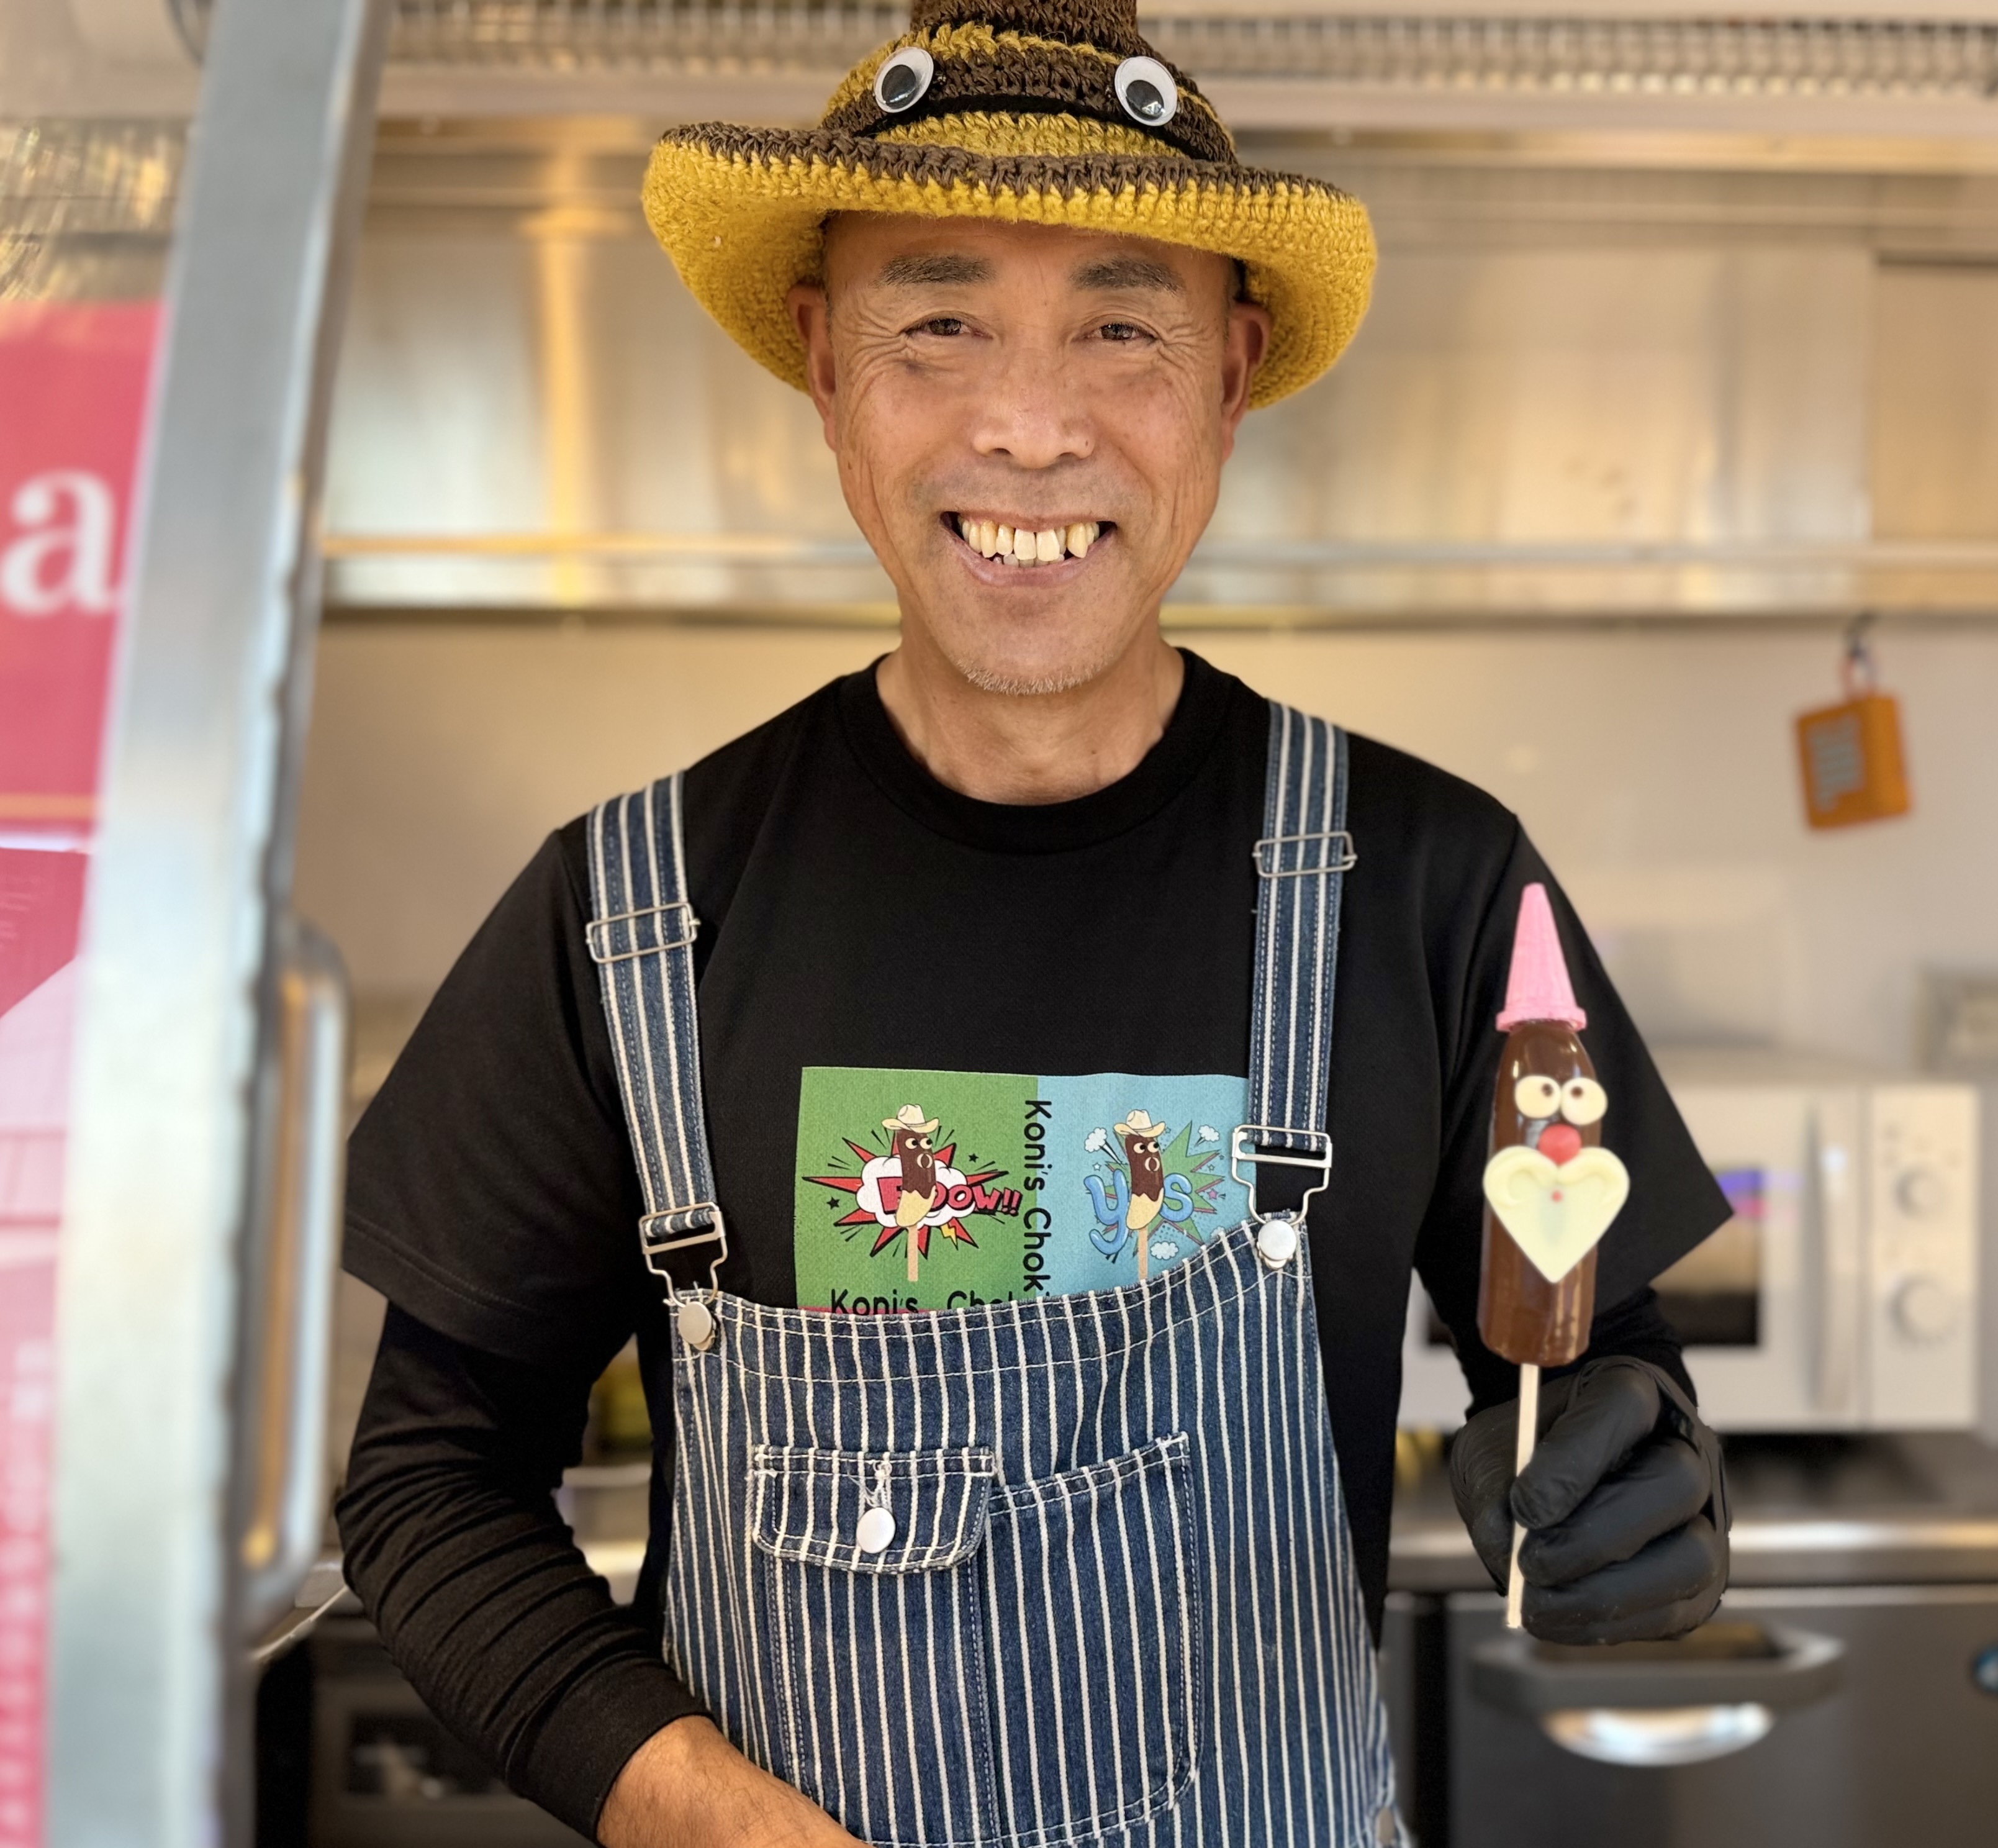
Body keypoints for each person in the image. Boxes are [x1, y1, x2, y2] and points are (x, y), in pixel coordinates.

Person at [334, 2, 1734, 1842]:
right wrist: (709, 1821)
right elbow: (429, 1486)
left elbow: (1602, 1364)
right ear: (824, 369)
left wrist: (1642, 1488)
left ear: (1229, 380)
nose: (1029, 425)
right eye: (937, 323)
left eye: (1120, 326)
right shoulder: (627, 916)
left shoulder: (1437, 887)